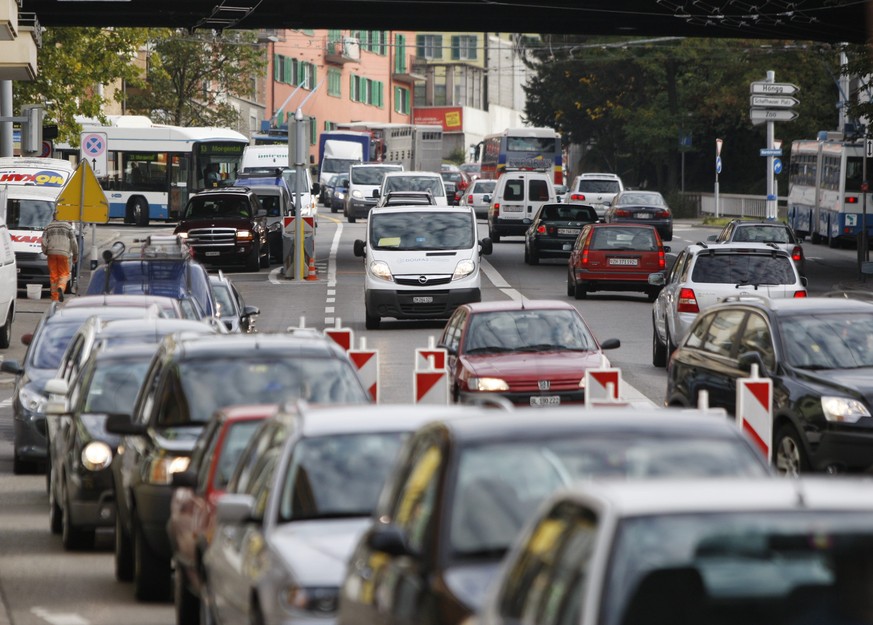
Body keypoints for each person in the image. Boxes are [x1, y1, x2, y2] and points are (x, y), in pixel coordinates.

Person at [41, 213, 78, 302]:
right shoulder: (68, 227)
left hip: (51, 252)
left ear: (53, 217)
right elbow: (74, 242)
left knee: (53, 275)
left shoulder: (48, 227)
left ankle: (54, 297)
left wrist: (45, 251)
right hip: (64, 253)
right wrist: (75, 255)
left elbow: (43, 241)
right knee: (64, 273)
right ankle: (61, 287)